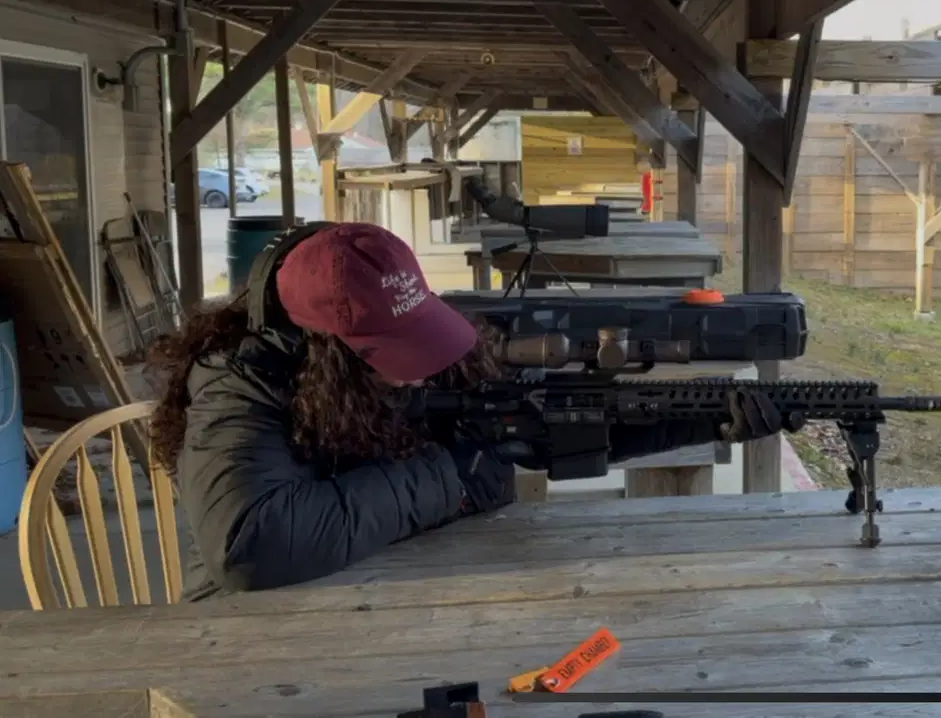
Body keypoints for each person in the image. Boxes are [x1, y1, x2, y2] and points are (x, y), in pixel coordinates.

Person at [144, 222, 791, 599]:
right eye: (387, 349)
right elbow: (255, 548)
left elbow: (531, 437)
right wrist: (452, 473)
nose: (421, 366)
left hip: (429, 583)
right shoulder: (242, 382)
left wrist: (703, 420)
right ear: (314, 346)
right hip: (280, 620)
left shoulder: (380, 365)